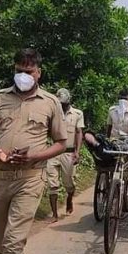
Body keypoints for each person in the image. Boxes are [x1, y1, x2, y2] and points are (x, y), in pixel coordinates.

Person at [0, 48, 67, 254]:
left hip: (30, 179)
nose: (22, 76)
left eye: (28, 71)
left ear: (38, 73)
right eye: (18, 71)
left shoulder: (50, 103)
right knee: (0, 247)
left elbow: (60, 143)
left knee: (13, 246)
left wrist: (34, 156)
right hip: (0, 178)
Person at [45, 88, 85, 220]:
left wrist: (77, 152)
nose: (61, 105)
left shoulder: (77, 114)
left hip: (68, 152)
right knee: (52, 184)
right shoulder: (51, 113)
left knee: (69, 182)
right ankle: (55, 214)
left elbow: (79, 133)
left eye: (63, 103)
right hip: (52, 152)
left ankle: (69, 199)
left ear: (68, 101)